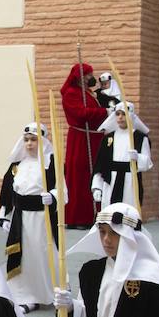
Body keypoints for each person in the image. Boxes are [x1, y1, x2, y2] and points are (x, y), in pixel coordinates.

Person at [0, 122, 59, 312]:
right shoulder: (18, 164)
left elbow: (63, 189)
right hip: (20, 218)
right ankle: (22, 295)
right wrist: (4, 215)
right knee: (21, 255)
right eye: (26, 140)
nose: (29, 144)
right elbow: (9, 191)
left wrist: (54, 196)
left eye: (33, 140)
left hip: (41, 219)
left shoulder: (51, 164)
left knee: (39, 255)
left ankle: (43, 293)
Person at [61, 63, 106, 229]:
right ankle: (79, 218)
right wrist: (105, 112)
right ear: (80, 77)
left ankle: (92, 214)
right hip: (81, 139)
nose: (91, 77)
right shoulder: (71, 94)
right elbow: (81, 114)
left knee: (92, 175)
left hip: (93, 138)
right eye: (88, 74)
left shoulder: (87, 92)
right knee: (81, 176)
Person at [91, 101, 152, 210]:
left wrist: (138, 158)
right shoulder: (108, 138)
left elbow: (147, 162)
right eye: (118, 114)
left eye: (123, 114)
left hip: (130, 182)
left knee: (128, 212)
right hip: (111, 182)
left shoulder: (140, 138)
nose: (120, 117)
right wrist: (97, 187)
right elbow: (100, 165)